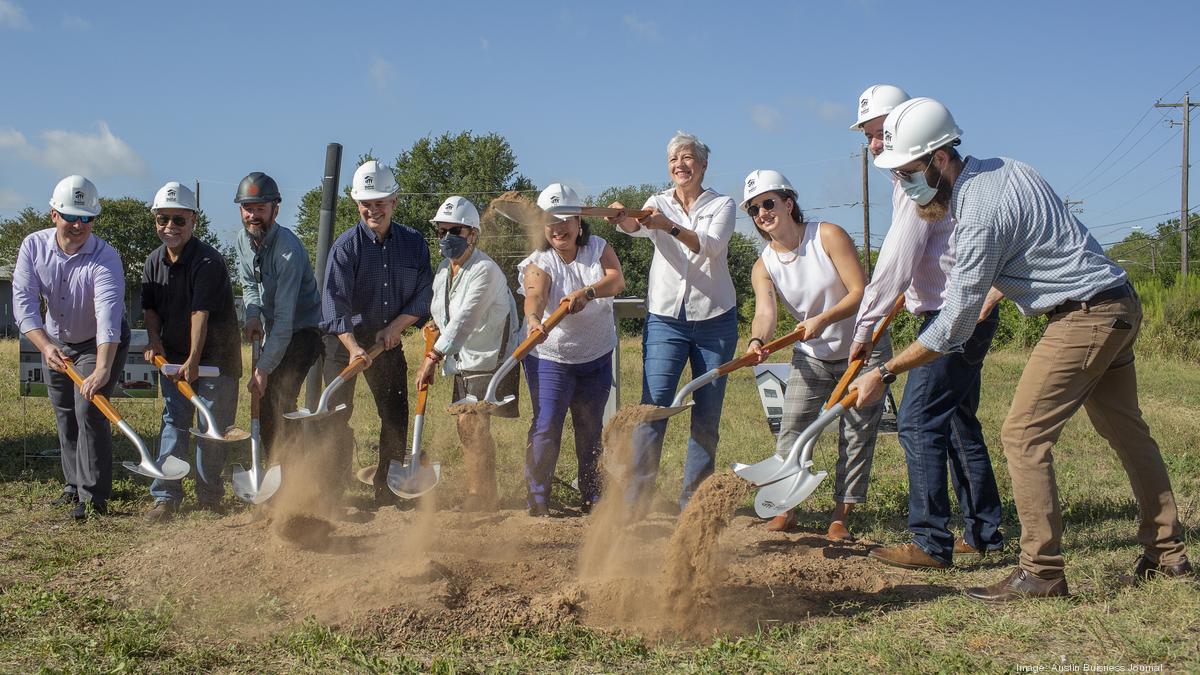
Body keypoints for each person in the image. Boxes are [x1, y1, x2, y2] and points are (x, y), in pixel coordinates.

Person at [852, 97, 1193, 600]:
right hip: (1116, 302)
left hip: (1083, 315)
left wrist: (884, 373)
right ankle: (1167, 553)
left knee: (1022, 436)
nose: (905, 185)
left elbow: (954, 326)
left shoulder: (976, 210)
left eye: (907, 173)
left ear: (940, 158)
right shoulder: (1008, 168)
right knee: (1128, 434)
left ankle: (1041, 572)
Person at [847, 85, 1006, 569]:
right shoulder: (913, 180)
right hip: (956, 309)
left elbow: (897, 260)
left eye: (880, 134)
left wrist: (863, 328)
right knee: (958, 424)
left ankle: (930, 541)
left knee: (917, 420)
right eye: (871, 138)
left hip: (953, 315)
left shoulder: (914, 182)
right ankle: (984, 535)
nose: (876, 145)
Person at [741, 170, 890, 540]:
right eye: (754, 209)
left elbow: (860, 292)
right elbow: (765, 313)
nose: (762, 212)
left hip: (862, 347)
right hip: (811, 353)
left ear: (788, 203)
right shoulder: (764, 265)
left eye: (768, 203)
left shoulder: (827, 235)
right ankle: (787, 508)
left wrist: (822, 318)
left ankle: (841, 515)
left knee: (855, 434)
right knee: (793, 429)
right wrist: (757, 341)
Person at [608, 131, 738, 510]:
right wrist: (623, 217)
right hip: (666, 319)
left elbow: (710, 246)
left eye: (687, 158)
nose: (680, 165)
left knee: (707, 414)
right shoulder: (657, 202)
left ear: (703, 164)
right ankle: (637, 500)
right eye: (673, 160)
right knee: (653, 407)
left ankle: (692, 503)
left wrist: (667, 226)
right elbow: (635, 226)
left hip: (715, 320)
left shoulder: (722, 204)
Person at [13, 175, 131, 520]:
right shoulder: (33, 247)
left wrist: (103, 368)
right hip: (55, 338)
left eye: (87, 218)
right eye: (71, 216)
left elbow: (108, 315)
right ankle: (73, 485)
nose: (79, 225)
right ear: (54, 215)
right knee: (65, 413)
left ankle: (93, 497)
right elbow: (23, 303)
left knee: (89, 410)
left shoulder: (106, 257)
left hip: (99, 342)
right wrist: (45, 346)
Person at [321, 161, 432, 507]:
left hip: (388, 339)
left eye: (380, 202)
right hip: (344, 342)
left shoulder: (414, 244)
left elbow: (424, 295)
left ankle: (389, 488)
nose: (373, 209)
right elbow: (333, 305)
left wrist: (394, 329)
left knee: (395, 415)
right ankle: (332, 492)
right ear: (357, 204)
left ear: (394, 202)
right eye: (367, 203)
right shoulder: (345, 248)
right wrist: (354, 348)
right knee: (336, 415)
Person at [518, 184, 625, 516]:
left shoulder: (598, 247)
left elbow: (616, 280)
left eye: (565, 220)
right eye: (551, 221)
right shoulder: (539, 261)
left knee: (590, 426)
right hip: (550, 357)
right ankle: (537, 498)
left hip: (595, 355)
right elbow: (534, 295)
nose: (558, 228)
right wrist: (534, 318)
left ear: (579, 222)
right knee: (547, 424)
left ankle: (592, 495)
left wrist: (587, 293)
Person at [141, 182, 242, 521]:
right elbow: (151, 309)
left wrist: (194, 361)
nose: (169, 227)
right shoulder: (153, 261)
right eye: (162, 219)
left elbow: (201, 313)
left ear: (193, 220)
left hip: (216, 360)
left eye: (178, 220)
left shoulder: (208, 261)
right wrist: (155, 342)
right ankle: (166, 495)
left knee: (211, 427)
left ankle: (209, 495)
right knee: (173, 422)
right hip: (175, 359)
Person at [415, 196, 522, 511]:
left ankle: (480, 495)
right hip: (463, 359)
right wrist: (435, 324)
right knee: (468, 426)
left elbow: (466, 319)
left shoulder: (485, 270)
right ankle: (483, 492)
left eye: (455, 231)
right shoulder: (445, 270)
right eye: (441, 231)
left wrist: (432, 356)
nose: (447, 238)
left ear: (472, 234)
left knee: (470, 424)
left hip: (488, 359)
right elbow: (448, 310)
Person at [234, 171, 323, 458]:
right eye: (248, 209)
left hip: (304, 332)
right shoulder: (241, 240)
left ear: (276, 209)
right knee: (268, 398)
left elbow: (285, 322)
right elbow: (249, 284)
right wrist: (251, 314)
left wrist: (262, 370)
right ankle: (275, 468)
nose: (253, 215)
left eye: (260, 208)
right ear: (240, 210)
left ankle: (294, 474)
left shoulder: (289, 252)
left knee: (278, 396)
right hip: (275, 331)